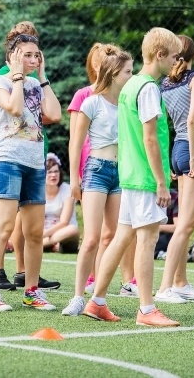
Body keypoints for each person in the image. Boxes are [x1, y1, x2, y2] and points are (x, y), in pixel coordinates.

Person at [84, 27, 181, 327]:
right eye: (175, 57)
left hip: (129, 176)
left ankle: (97, 301)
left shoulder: (131, 85)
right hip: (144, 178)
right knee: (147, 239)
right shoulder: (149, 88)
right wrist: (161, 181)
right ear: (160, 55)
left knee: (122, 236)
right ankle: (147, 309)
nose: (177, 63)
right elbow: (150, 139)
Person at [0, 30, 62, 312]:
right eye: (26, 54)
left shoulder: (37, 84)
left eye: (36, 55)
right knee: (3, 228)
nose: (33, 59)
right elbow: (14, 108)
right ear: (11, 56)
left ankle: (32, 291)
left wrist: (43, 76)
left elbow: (55, 114)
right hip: (6, 161)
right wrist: (16, 76)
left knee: (35, 233)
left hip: (34, 163)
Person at [64, 45, 134, 316]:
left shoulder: (129, 104)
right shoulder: (91, 101)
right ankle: (77, 297)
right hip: (96, 170)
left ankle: (99, 298)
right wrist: (74, 178)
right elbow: (75, 143)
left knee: (113, 235)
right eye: (128, 71)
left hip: (121, 173)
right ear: (114, 73)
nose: (132, 75)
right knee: (92, 238)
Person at [155, 36, 194, 303]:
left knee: (183, 223)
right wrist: (192, 160)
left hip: (178, 148)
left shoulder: (164, 83)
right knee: (187, 224)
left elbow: (167, 126)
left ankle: (180, 282)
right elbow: (192, 119)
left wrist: (171, 162)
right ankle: (165, 287)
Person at [42, 153, 79, 253]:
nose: (53, 175)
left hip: (64, 235)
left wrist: (44, 235)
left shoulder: (67, 190)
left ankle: (40, 244)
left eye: (56, 171)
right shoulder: (39, 191)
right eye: (49, 172)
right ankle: (47, 244)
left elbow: (64, 222)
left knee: (72, 229)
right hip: (45, 234)